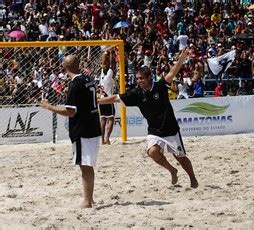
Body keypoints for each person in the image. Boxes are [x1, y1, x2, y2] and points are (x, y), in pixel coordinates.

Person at [98, 49, 198, 188]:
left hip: (170, 128)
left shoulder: (160, 86)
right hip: (154, 130)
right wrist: (97, 102)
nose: (139, 81)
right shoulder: (136, 93)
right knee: (152, 152)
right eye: (137, 78)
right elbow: (115, 98)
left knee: (180, 156)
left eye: (141, 78)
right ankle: (172, 170)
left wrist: (181, 58)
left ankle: (192, 178)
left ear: (149, 77)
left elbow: (172, 73)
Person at [40, 55, 101, 208]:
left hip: (83, 129)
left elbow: (70, 112)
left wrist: (49, 107)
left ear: (64, 67)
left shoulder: (75, 85)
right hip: (93, 125)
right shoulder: (88, 79)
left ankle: (87, 201)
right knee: (87, 164)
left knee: (85, 165)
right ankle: (90, 198)